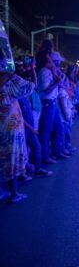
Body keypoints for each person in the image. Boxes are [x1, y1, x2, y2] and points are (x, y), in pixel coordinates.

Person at [0, 50, 35, 203]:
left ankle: (3, 191)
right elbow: (30, 87)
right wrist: (32, 68)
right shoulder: (9, 78)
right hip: (11, 126)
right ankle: (14, 194)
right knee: (12, 159)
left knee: (2, 158)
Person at [37, 51, 68, 163]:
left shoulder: (51, 71)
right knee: (46, 131)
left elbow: (61, 84)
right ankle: (45, 157)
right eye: (57, 62)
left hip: (53, 103)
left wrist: (59, 77)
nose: (59, 64)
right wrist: (56, 82)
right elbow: (46, 90)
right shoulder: (44, 72)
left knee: (59, 128)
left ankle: (58, 152)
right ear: (52, 62)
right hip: (47, 103)